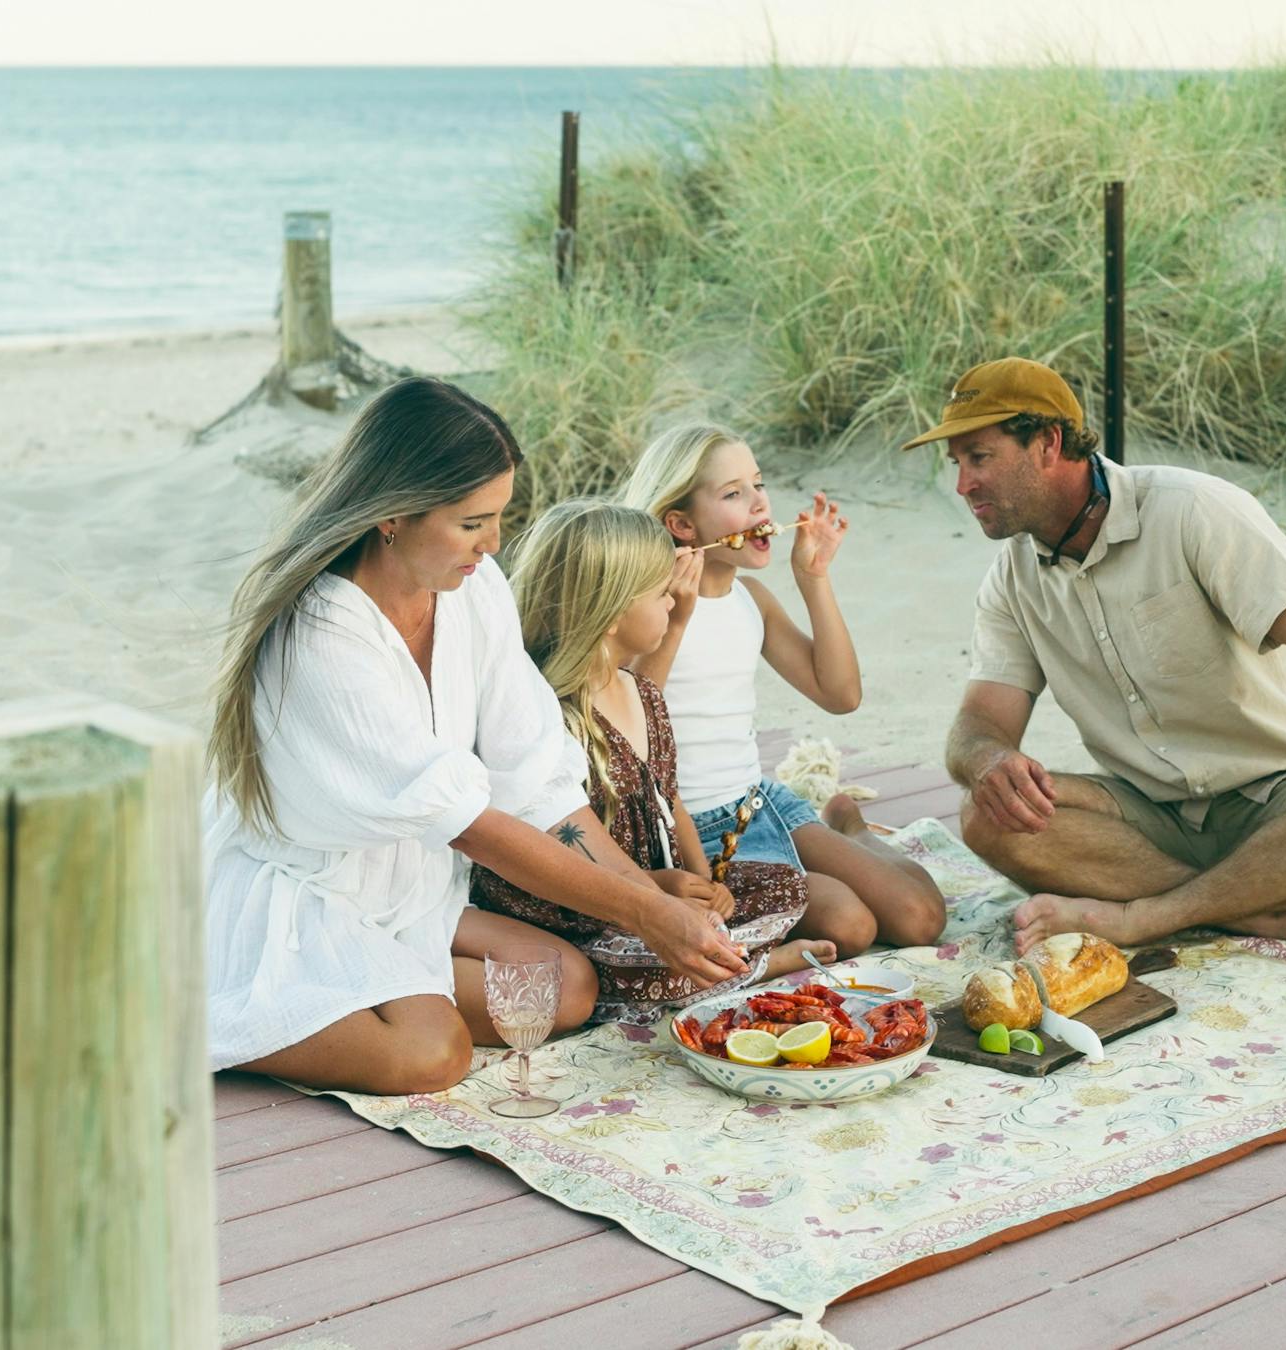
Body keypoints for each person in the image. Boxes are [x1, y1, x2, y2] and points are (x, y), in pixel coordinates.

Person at [203, 378, 747, 1097]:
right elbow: (471, 825)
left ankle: (365, 997)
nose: (494, 544)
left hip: (413, 892)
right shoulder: (323, 631)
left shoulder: (475, 589)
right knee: (432, 1055)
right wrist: (643, 911)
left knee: (563, 990)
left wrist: (651, 892)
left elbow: (540, 783)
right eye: (471, 523)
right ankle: (199, 1017)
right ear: (393, 515)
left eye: (500, 518)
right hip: (309, 894)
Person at [905, 357, 1286, 956]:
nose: (963, 485)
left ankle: (1147, 917)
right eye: (959, 464)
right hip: (1144, 819)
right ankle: (1262, 916)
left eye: (980, 458)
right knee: (985, 814)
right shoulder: (1012, 579)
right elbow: (979, 724)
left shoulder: (1190, 510)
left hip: (1275, 799)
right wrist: (990, 758)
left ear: (1048, 443)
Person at [471, 499, 837, 1023]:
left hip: (650, 890)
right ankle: (743, 967)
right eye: (663, 593)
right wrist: (655, 897)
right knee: (649, 963)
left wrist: (701, 879)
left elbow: (671, 800)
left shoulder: (644, 693)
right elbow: (559, 850)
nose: (674, 603)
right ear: (615, 608)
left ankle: (723, 963)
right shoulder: (552, 711)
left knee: (783, 884)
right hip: (581, 913)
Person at [619, 422, 947, 953]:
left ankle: (850, 827)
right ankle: (829, 841)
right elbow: (630, 726)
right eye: (733, 494)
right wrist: (675, 619)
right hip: (692, 831)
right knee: (850, 925)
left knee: (921, 917)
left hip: (757, 803)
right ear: (680, 523)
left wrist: (813, 578)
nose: (759, 505)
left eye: (759, 484)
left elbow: (840, 695)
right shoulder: (647, 609)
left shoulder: (752, 598)